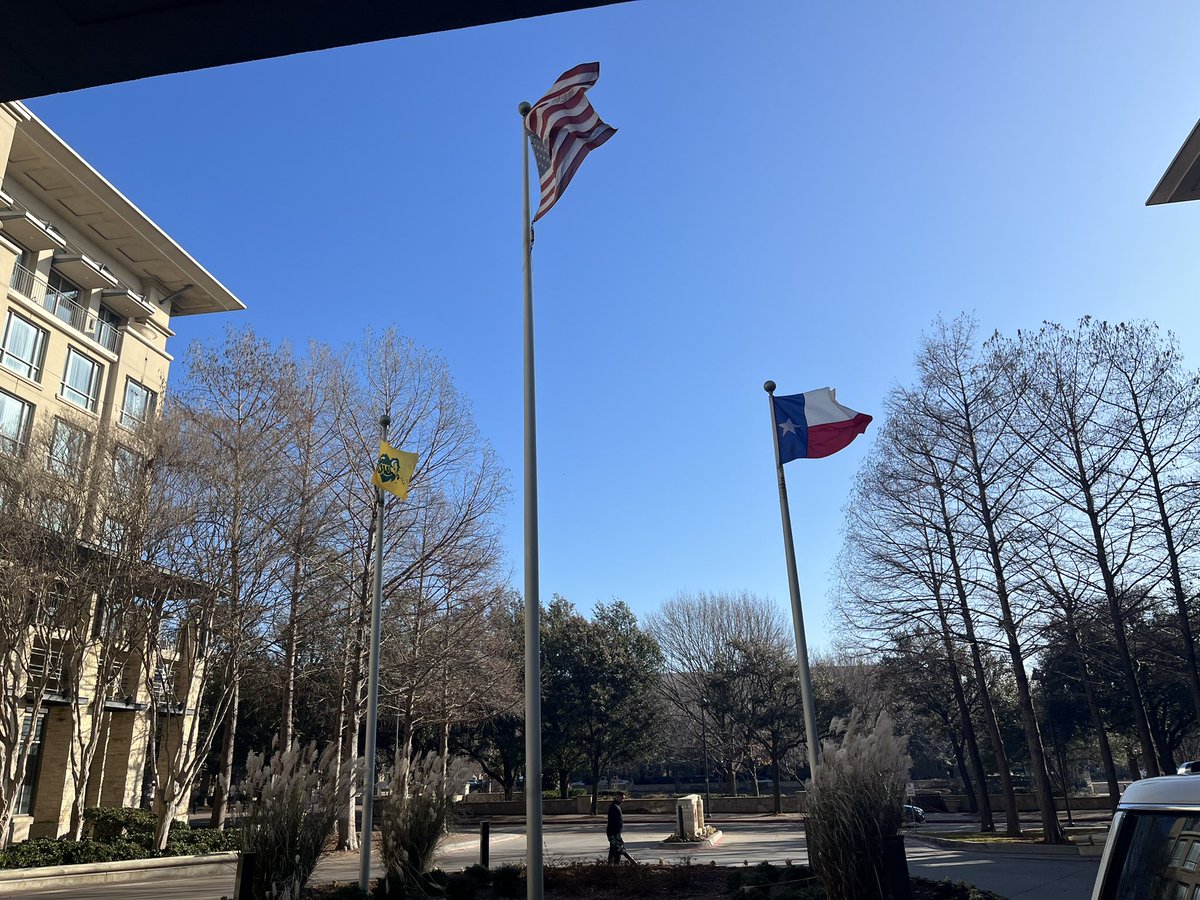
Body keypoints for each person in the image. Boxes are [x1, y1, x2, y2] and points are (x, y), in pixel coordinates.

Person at [606, 792, 626, 864]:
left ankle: (610, 866)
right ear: (617, 797)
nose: (623, 800)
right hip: (613, 834)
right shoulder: (614, 807)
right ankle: (615, 866)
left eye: (623, 798)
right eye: (622, 798)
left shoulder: (615, 806)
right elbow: (613, 822)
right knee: (617, 849)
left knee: (613, 849)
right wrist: (616, 836)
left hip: (615, 833)